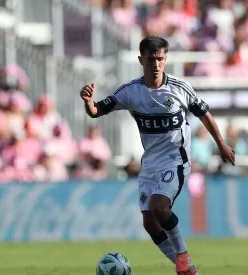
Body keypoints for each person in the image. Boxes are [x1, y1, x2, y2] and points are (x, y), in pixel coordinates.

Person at [79, 36, 235, 275]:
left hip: (176, 159)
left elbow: (204, 114)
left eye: (160, 59)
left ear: (166, 59)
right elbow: (97, 111)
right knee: (150, 223)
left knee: (159, 207)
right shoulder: (131, 92)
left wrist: (221, 144)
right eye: (151, 59)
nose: (156, 64)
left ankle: (182, 257)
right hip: (150, 164)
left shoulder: (179, 88)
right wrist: (89, 102)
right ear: (141, 60)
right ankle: (187, 270)